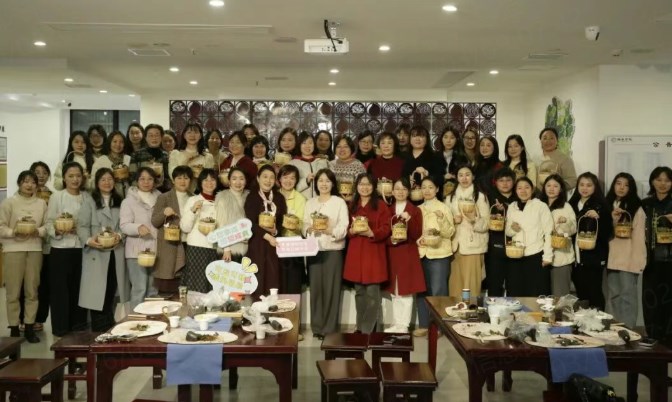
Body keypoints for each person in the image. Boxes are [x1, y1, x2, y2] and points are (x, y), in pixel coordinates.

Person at [77, 168, 129, 332]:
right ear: (97, 183)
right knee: (98, 292)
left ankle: (111, 328)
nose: (107, 183)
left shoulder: (121, 201)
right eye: (103, 179)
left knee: (113, 289)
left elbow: (125, 225)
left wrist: (119, 236)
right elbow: (81, 226)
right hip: (96, 253)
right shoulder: (89, 201)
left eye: (110, 179)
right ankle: (99, 329)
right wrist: (89, 240)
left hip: (116, 252)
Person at [0, 170, 47, 342]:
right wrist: (14, 232)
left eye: (33, 182)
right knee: (12, 292)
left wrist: (37, 231)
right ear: (19, 183)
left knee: (32, 291)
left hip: (34, 249)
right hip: (13, 249)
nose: (30, 185)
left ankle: (29, 327)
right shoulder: (9, 202)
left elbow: (47, 226)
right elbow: (1, 226)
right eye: (26, 181)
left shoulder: (41, 204)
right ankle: (13, 327)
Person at [303, 169, 349, 339]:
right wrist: (308, 229)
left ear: (333, 184)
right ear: (316, 183)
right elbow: (304, 224)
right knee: (316, 290)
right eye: (320, 180)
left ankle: (329, 329)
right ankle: (317, 327)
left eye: (327, 181)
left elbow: (344, 226)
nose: (323, 184)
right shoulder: (310, 203)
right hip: (314, 250)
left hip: (333, 250)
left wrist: (329, 230)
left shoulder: (339, 202)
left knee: (331, 290)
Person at [46, 162, 90, 336]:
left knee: (78, 288)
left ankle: (78, 326)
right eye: (71, 176)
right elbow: (49, 222)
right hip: (60, 248)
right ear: (64, 178)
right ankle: (61, 327)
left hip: (81, 248)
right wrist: (58, 230)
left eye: (78, 176)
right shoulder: (57, 197)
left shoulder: (87, 197)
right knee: (60, 290)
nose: (75, 179)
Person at [343, 173, 391, 334]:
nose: (365, 187)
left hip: (373, 253)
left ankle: (366, 331)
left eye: (368, 184)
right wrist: (351, 231)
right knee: (359, 293)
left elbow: (387, 228)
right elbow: (346, 229)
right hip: (356, 253)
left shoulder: (381, 206)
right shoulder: (352, 205)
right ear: (356, 186)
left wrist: (372, 233)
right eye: (361, 184)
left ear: (374, 187)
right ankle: (360, 328)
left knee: (372, 295)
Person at [605, 173, 646, 328]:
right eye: (618, 183)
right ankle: (613, 329)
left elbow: (640, 237)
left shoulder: (636, 208)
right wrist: (613, 219)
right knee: (613, 295)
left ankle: (628, 331)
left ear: (631, 188)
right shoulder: (607, 204)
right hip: (611, 258)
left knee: (627, 297)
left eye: (626, 185)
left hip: (628, 259)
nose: (621, 188)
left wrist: (638, 261)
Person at [414, 176, 453, 337]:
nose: (427, 190)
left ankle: (438, 327)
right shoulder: (417, 209)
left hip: (439, 254)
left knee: (438, 291)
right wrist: (418, 240)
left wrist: (441, 219)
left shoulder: (444, 208)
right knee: (422, 290)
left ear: (437, 189)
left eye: (431, 187)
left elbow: (449, 233)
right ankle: (424, 324)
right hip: (422, 253)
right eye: (424, 187)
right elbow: (414, 232)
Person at [569, 172, 613, 310]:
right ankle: (584, 320)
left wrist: (599, 217)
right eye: (581, 185)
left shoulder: (601, 205)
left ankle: (598, 321)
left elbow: (608, 231)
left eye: (589, 185)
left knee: (594, 292)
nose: (584, 188)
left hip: (594, 257)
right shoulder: (571, 204)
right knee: (581, 293)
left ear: (595, 187)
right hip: (576, 257)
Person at [384, 178, 424, 333]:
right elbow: (384, 233)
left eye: (404, 189)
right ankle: (397, 323)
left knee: (406, 291)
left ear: (409, 191)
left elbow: (416, 234)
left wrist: (410, 220)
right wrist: (392, 240)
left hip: (407, 253)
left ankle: (404, 325)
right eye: (397, 189)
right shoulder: (387, 210)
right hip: (392, 252)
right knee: (395, 291)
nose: (400, 192)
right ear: (392, 191)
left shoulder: (415, 210)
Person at [505, 177, 554, 296]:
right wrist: (513, 229)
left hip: (536, 255)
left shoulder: (540, 206)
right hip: (515, 256)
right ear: (515, 190)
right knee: (516, 293)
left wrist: (548, 256)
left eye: (527, 187)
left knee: (536, 294)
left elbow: (549, 232)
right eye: (519, 188)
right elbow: (508, 232)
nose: (523, 191)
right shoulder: (512, 206)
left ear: (532, 190)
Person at [244, 165, 287, 298]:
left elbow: (282, 221)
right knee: (258, 277)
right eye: (265, 177)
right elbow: (250, 222)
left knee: (273, 278)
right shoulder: (252, 197)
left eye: (272, 177)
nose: (268, 180)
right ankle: (257, 308)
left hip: (274, 244)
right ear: (258, 178)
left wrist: (276, 231)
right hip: (257, 243)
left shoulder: (279, 198)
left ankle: (272, 307)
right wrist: (268, 236)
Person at [120, 167, 160, 309]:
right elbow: (124, 225)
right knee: (139, 289)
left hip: (155, 250)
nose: (146, 182)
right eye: (142, 179)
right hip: (136, 252)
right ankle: (136, 320)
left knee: (153, 290)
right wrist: (137, 228)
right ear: (136, 181)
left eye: (150, 179)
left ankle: (152, 319)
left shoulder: (160, 198)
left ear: (154, 181)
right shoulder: (128, 201)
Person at [448, 165, 489, 298]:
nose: (464, 178)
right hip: (455, 246)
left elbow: (487, 223)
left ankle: (471, 309)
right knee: (455, 286)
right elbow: (445, 222)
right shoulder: (450, 197)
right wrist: (453, 220)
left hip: (473, 246)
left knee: (471, 286)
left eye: (467, 174)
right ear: (456, 178)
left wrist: (474, 220)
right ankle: (456, 310)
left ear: (473, 176)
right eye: (461, 175)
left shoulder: (480, 196)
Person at [151, 166, 193, 294]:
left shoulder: (194, 198)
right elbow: (155, 221)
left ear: (191, 181)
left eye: (186, 178)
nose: (182, 181)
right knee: (168, 287)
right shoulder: (164, 197)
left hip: (190, 245)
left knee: (189, 285)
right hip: (170, 246)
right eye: (179, 178)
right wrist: (164, 213)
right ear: (173, 180)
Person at [642, 166, 672, 340]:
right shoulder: (646, 204)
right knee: (650, 300)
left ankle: (668, 341)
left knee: (668, 302)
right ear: (652, 181)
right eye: (659, 180)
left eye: (667, 180)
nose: (662, 184)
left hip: (669, 260)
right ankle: (652, 337)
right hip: (650, 260)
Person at [180, 169, 219, 293]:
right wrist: (193, 210)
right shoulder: (193, 200)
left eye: (212, 180)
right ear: (200, 183)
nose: (209, 183)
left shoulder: (220, 201)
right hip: (196, 248)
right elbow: (185, 227)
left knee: (213, 286)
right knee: (196, 285)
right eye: (205, 180)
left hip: (215, 248)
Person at [539, 174, 577, 296]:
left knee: (560, 297)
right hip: (540, 257)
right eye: (548, 185)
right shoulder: (538, 205)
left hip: (560, 258)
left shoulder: (566, 206)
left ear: (561, 189)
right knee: (542, 296)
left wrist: (564, 223)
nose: (551, 188)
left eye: (555, 186)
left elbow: (573, 229)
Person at [485, 167, 516, 297]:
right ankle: (493, 309)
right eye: (501, 180)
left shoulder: (518, 196)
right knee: (494, 284)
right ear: (496, 182)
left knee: (514, 285)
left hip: (515, 247)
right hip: (495, 246)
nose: (505, 183)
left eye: (508, 180)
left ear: (513, 181)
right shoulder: (489, 197)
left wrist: (506, 209)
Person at [277, 165, 306, 293]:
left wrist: (292, 224)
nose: (288, 181)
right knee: (278, 282)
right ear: (279, 179)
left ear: (296, 180)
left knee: (293, 283)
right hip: (275, 244)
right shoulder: (272, 196)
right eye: (285, 177)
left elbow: (301, 223)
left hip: (294, 245)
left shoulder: (300, 198)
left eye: (292, 178)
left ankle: (293, 306)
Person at [215, 168, 250, 263]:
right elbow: (220, 225)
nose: (238, 182)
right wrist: (226, 249)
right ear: (229, 181)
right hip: (230, 251)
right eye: (234, 179)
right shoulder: (223, 197)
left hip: (247, 249)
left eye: (241, 179)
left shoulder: (249, 196)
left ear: (246, 181)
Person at [402, 125, 444, 203]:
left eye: (421, 136)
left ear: (427, 139)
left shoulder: (435, 157)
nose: (417, 139)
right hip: (407, 200)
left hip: (428, 200)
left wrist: (426, 173)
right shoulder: (403, 156)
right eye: (414, 136)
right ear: (410, 139)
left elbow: (441, 179)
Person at [129, 123, 171, 193]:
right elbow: (132, 177)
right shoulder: (136, 154)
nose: (154, 138)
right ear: (145, 138)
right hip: (142, 193)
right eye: (150, 135)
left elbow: (168, 177)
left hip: (162, 192)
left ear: (161, 137)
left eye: (157, 135)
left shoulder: (165, 155)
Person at [287, 131, 329, 199]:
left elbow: (329, 183)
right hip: (301, 202)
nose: (307, 146)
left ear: (314, 144)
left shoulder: (322, 161)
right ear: (299, 145)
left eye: (310, 142)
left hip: (320, 201)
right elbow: (289, 187)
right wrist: (306, 181)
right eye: (304, 143)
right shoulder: (292, 163)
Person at [90, 131, 131, 197]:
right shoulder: (101, 161)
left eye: (121, 142)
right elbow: (93, 182)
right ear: (109, 143)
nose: (118, 144)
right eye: (115, 141)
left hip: (128, 196)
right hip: (107, 197)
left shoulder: (129, 159)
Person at [329, 136, 366, 202]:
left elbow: (364, 187)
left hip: (352, 203)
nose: (342, 149)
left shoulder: (358, 165)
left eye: (345, 146)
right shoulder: (330, 165)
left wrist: (352, 198)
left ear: (351, 148)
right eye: (338, 146)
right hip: (333, 202)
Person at [436, 127, 468, 197]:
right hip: (438, 194)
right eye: (445, 137)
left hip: (458, 194)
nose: (448, 140)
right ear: (441, 139)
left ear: (456, 139)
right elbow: (431, 176)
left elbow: (467, 177)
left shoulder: (462, 157)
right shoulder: (435, 156)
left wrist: (456, 177)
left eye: (452, 138)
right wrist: (443, 177)